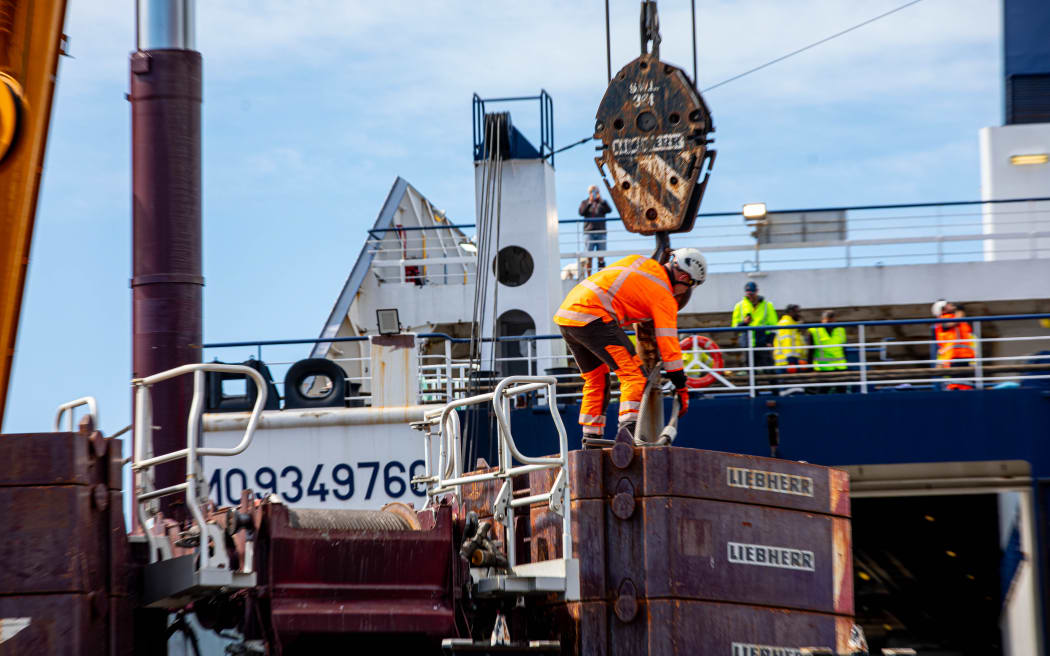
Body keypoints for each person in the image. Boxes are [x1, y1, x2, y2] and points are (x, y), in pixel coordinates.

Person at [554, 248, 707, 440]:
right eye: (692, 285)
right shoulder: (664, 297)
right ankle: (626, 439)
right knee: (634, 377)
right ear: (684, 277)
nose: (687, 291)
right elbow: (670, 348)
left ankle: (591, 440)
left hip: (567, 315)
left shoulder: (640, 262)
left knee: (596, 380)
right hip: (593, 315)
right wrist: (682, 388)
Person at [731, 281, 778, 374]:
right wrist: (744, 322)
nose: (751, 296)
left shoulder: (767, 305)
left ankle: (774, 388)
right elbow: (735, 327)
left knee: (768, 367)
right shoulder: (739, 306)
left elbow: (773, 325)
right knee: (751, 370)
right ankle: (754, 388)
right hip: (747, 341)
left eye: (752, 294)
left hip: (762, 340)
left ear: (757, 292)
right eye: (748, 294)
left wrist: (770, 341)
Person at [932, 299, 974, 391]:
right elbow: (953, 323)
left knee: (966, 384)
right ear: (942, 309)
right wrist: (959, 311)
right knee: (956, 385)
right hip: (953, 357)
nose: (951, 304)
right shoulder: (943, 320)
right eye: (948, 304)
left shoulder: (957, 318)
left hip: (964, 355)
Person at [808, 309, 847, 393]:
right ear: (822, 320)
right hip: (823, 368)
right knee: (823, 391)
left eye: (832, 321)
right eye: (828, 321)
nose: (830, 324)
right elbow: (810, 351)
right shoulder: (815, 331)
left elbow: (844, 349)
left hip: (840, 367)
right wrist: (809, 368)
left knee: (841, 391)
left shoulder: (840, 330)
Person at [579, 185, 612, 274]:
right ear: (589, 193)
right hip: (589, 233)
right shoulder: (585, 202)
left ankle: (600, 274)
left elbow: (609, 210)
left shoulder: (602, 203)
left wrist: (601, 201)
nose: (594, 194)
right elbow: (581, 212)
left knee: (601, 256)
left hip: (601, 232)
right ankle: (589, 276)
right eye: (592, 192)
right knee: (589, 256)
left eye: (596, 191)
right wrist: (590, 202)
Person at [773, 304, 806, 373]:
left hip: (791, 360)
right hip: (786, 362)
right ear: (791, 312)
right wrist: (790, 359)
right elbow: (786, 341)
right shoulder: (787, 323)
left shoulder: (792, 324)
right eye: (797, 312)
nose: (799, 314)